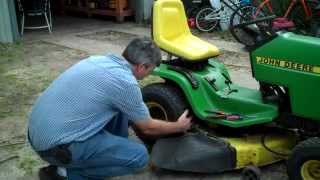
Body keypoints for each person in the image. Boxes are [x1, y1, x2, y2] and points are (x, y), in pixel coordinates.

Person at [27, 37, 192, 180]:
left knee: (122, 109)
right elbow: (147, 127)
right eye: (150, 70)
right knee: (139, 156)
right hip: (55, 149)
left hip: (39, 133)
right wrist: (179, 126)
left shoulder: (99, 60)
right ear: (142, 66)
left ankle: (100, 154)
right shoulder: (125, 82)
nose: (149, 75)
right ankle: (65, 174)